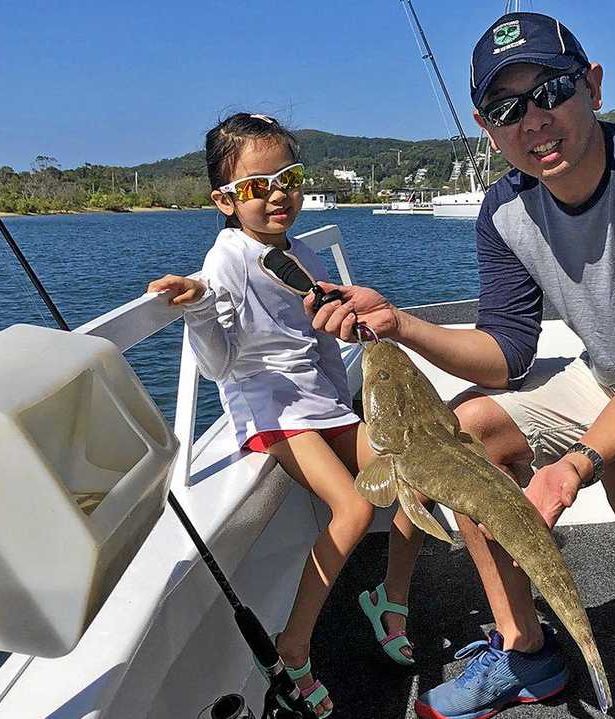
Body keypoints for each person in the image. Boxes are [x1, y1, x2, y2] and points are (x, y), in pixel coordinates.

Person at [309, 12, 615, 719]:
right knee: (467, 431)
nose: (533, 120)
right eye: (508, 108)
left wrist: (575, 463)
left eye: (551, 90)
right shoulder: (504, 209)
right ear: (487, 127)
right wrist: (400, 324)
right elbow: (507, 353)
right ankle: (526, 649)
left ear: (593, 87)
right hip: (614, 374)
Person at [146, 113, 427, 718]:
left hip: (318, 401)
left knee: (413, 483)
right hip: (270, 409)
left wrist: (346, 400)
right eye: (257, 185)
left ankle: (390, 597)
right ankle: (294, 647)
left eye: (289, 178)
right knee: (353, 508)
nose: (277, 194)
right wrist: (198, 308)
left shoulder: (294, 249)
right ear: (225, 199)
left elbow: (319, 338)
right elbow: (220, 366)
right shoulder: (226, 260)